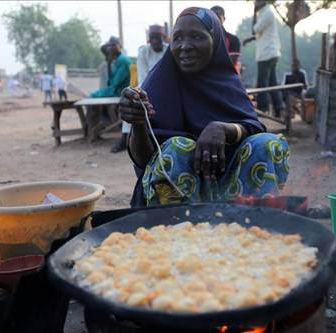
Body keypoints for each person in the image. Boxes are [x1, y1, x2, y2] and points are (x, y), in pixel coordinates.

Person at [119, 7, 290, 207]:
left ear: (215, 41)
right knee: (176, 149)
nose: (185, 46)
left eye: (196, 37)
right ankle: (174, 230)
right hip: (174, 201)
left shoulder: (228, 83)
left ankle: (251, 225)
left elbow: (253, 127)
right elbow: (143, 160)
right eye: (178, 38)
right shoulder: (155, 86)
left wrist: (223, 129)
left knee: (267, 144)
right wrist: (138, 124)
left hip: (234, 192)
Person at [112, 25, 169, 153]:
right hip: (147, 86)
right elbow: (143, 75)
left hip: (167, 87)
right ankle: (125, 137)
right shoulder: (143, 51)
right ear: (149, 39)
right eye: (152, 38)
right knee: (131, 101)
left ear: (163, 38)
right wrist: (144, 93)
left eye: (158, 37)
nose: (155, 41)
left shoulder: (168, 50)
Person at [244, 0, 284, 118]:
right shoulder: (265, 13)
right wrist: (249, 40)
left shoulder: (267, 13)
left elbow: (254, 29)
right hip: (269, 52)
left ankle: (263, 110)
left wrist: (254, 12)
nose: (255, 2)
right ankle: (278, 108)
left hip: (266, 53)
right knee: (272, 83)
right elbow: (260, 34)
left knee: (263, 84)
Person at [211, 5, 241, 73]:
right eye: (212, 17)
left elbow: (232, 62)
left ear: (224, 18)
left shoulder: (233, 39)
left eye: (218, 16)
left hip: (229, 76)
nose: (215, 20)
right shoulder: (204, 39)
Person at [283, 59, 308, 130]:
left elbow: (305, 86)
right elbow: (285, 86)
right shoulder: (288, 76)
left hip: (297, 93)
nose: (295, 67)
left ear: (299, 66)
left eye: (296, 65)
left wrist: (300, 87)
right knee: (288, 97)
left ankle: (290, 114)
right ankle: (288, 116)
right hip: (289, 94)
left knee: (290, 98)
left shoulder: (301, 74)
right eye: (293, 65)